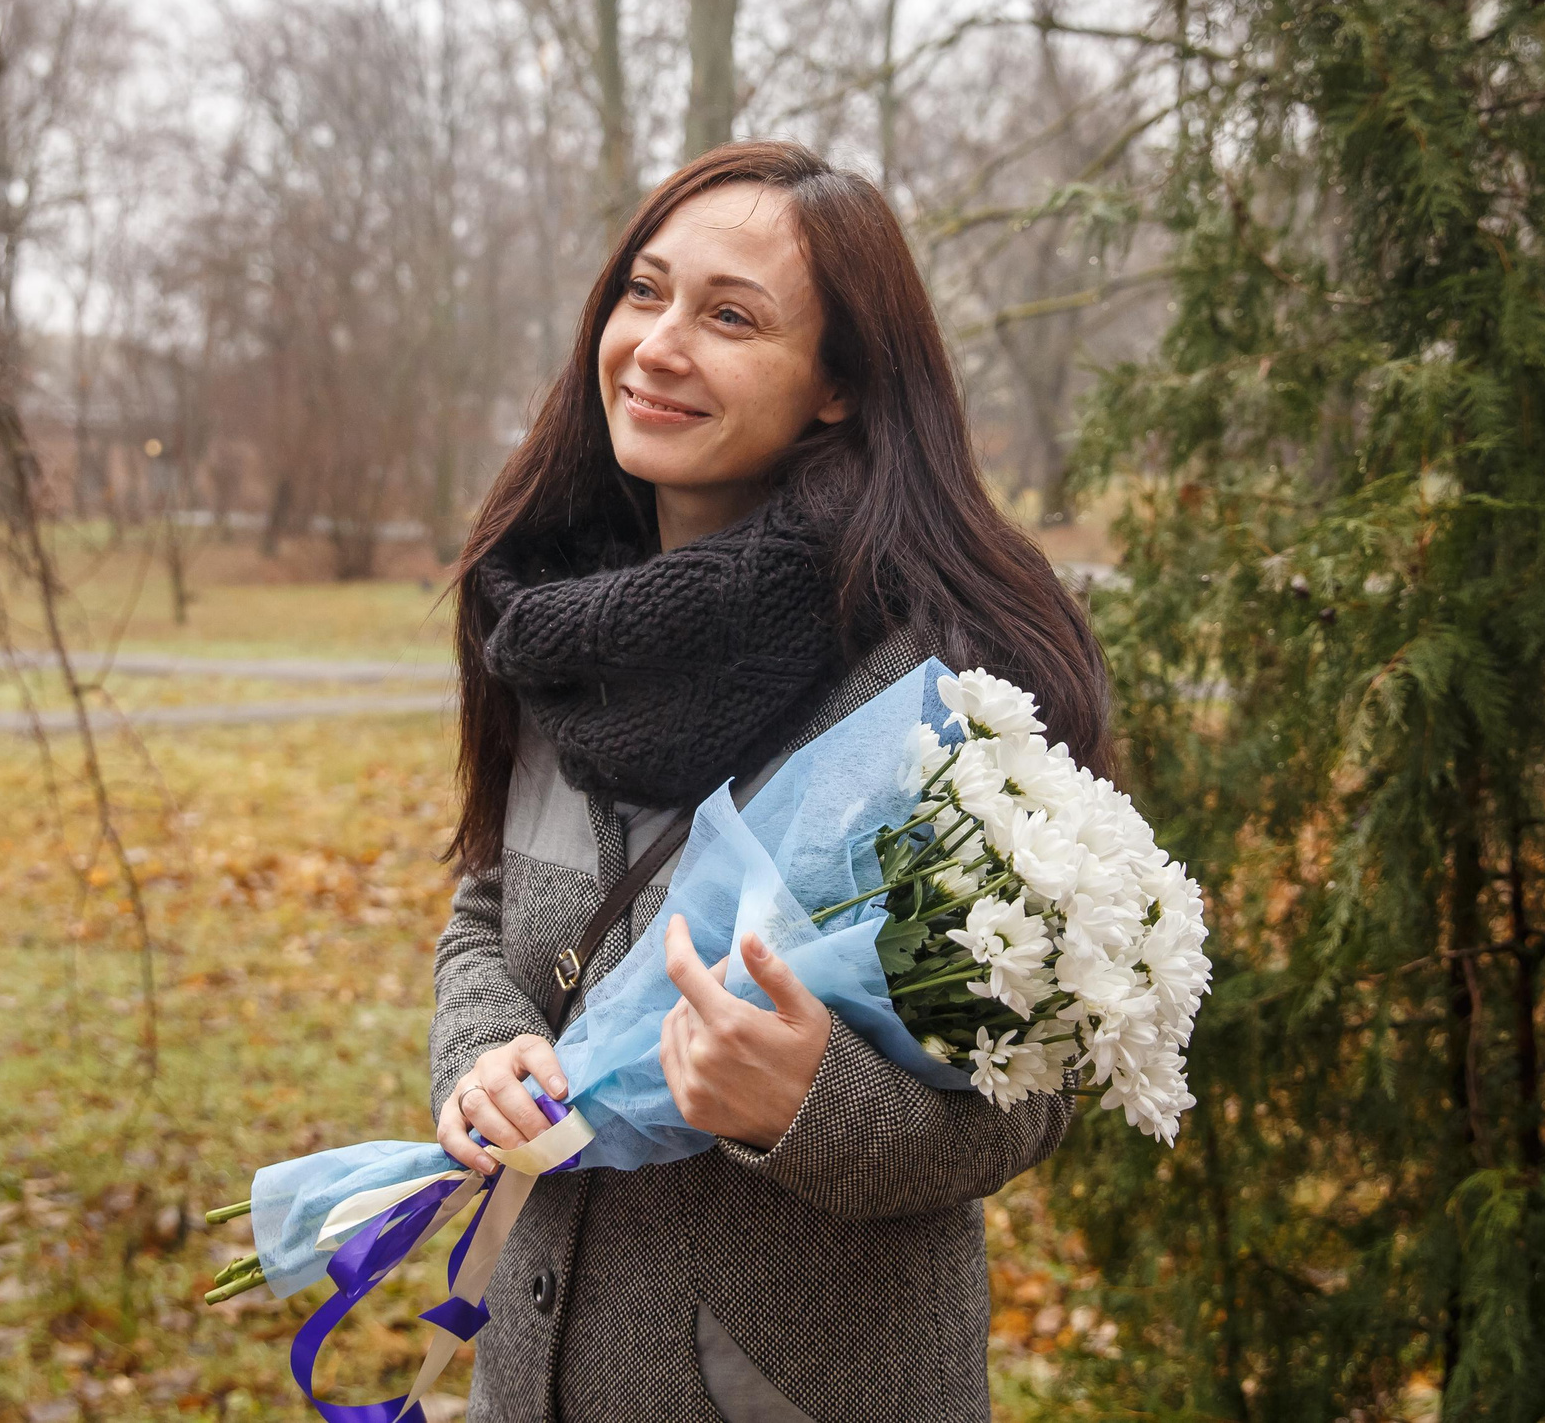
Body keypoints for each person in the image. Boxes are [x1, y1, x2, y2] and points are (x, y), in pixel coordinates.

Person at [430, 139, 1112, 1422]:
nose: (657, 346)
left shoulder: (947, 669)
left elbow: (1034, 1086)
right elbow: (487, 910)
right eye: (644, 292)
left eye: (729, 316)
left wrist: (808, 1104)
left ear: (839, 383)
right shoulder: (555, 621)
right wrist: (480, 1053)